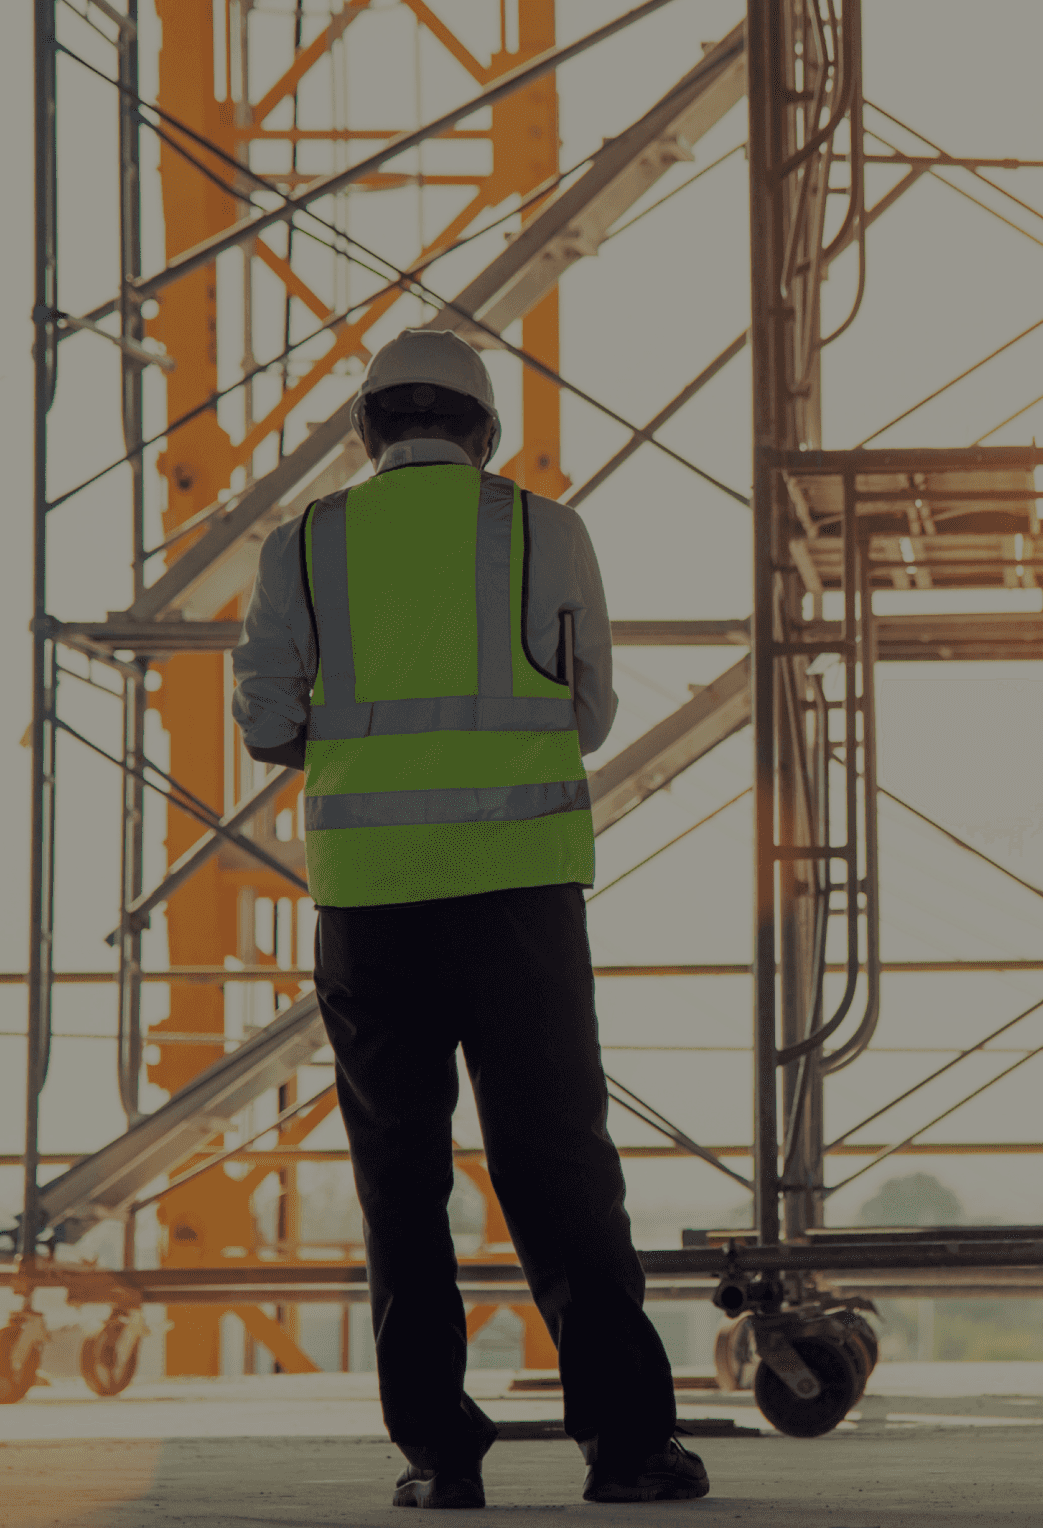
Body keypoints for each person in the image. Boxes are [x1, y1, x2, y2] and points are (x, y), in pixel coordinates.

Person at [231, 327, 706, 1509]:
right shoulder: (547, 528)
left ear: (366, 434)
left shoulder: (303, 544)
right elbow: (588, 711)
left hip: (370, 907)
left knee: (400, 1175)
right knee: (559, 1163)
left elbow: (264, 723)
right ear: (483, 434)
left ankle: (440, 1456)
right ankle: (628, 1446)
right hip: (521, 895)